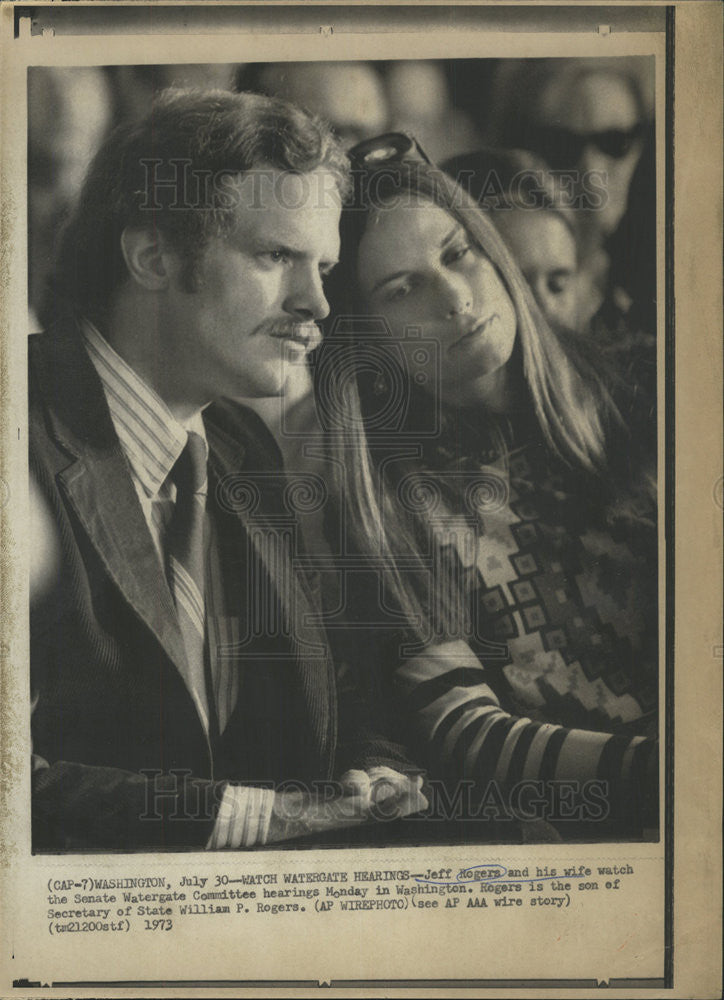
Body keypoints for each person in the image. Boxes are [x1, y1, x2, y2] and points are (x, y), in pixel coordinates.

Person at [29, 90, 426, 853]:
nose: (315, 304)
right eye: (275, 257)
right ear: (152, 256)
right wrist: (263, 817)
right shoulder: (21, 431)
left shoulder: (239, 442)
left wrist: (366, 770)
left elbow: (326, 695)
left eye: (326, 267)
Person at [317, 135, 658, 836]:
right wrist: (668, 772)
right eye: (401, 288)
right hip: (602, 835)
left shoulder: (654, 390)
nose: (455, 298)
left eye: (456, 253)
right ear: (368, 339)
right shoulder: (384, 502)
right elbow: (466, 731)